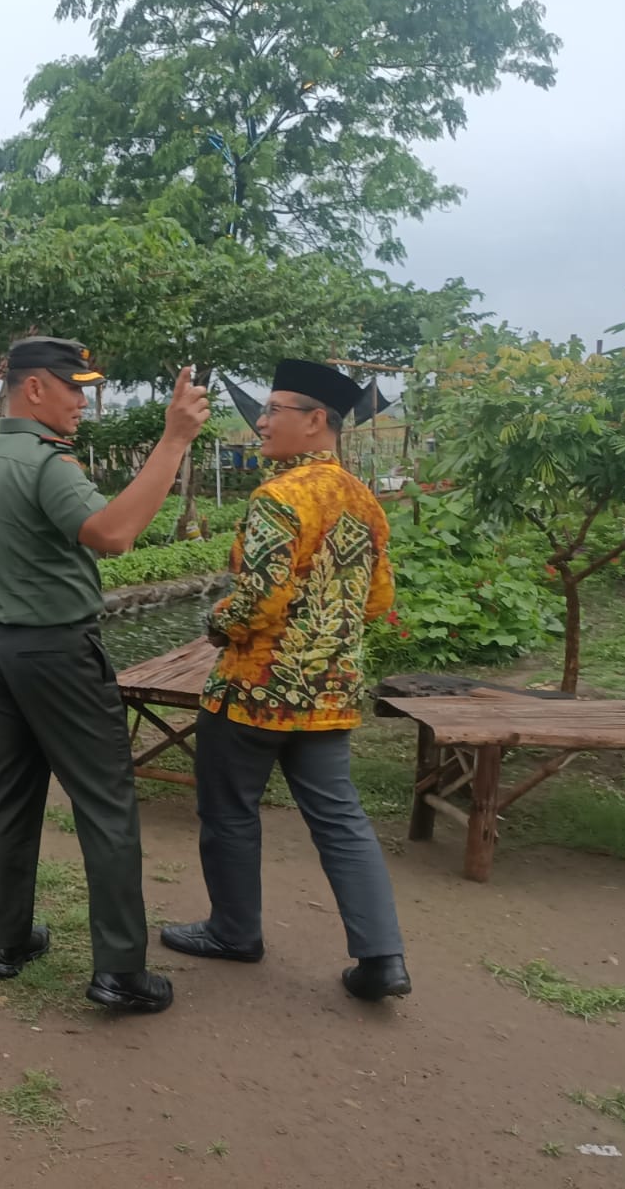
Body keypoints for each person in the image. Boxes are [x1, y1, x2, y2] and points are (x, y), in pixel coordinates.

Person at [0, 337, 210, 1014]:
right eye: (73, 388)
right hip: (58, 653)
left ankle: (6, 941)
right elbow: (114, 533)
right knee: (106, 803)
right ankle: (120, 971)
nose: (81, 401)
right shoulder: (47, 464)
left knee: (10, 795)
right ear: (35, 388)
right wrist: (174, 440)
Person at [162, 358, 411, 1001]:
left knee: (229, 813)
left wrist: (219, 620)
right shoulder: (365, 500)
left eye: (275, 410)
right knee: (341, 820)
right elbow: (379, 597)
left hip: (254, 691)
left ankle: (235, 932)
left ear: (317, 420)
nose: (262, 421)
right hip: (328, 695)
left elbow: (260, 602)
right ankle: (383, 957)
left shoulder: (279, 497)